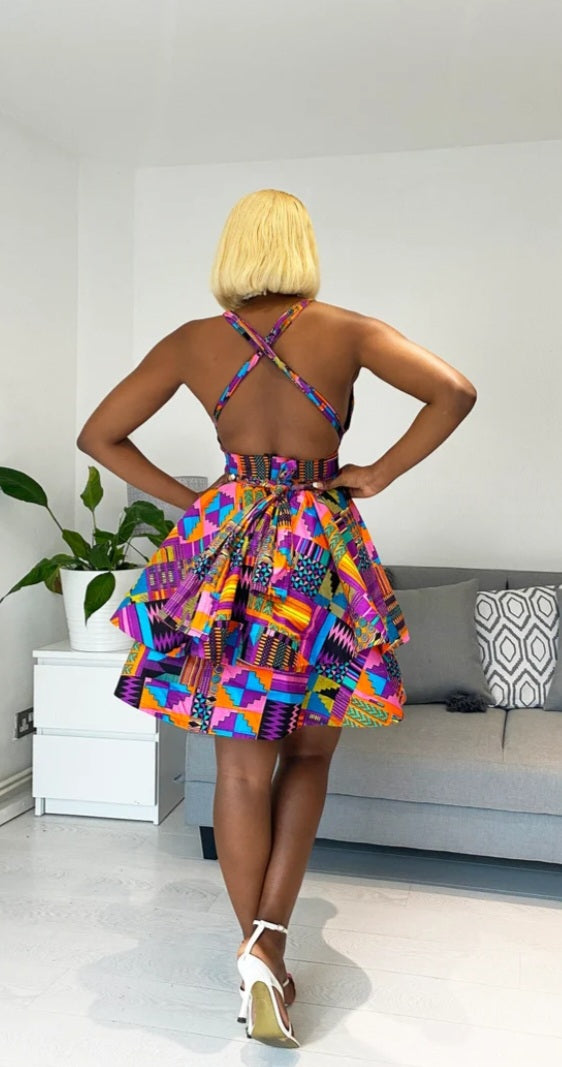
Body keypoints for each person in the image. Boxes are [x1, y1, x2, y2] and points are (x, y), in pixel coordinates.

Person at [76, 188, 477, 1048]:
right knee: (311, 752)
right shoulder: (348, 331)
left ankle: (256, 952)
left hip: (229, 550)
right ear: (300, 246)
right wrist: (378, 473)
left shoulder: (193, 341)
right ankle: (270, 943)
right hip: (317, 551)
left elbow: (99, 435)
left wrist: (196, 501)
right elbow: (454, 391)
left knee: (239, 768)